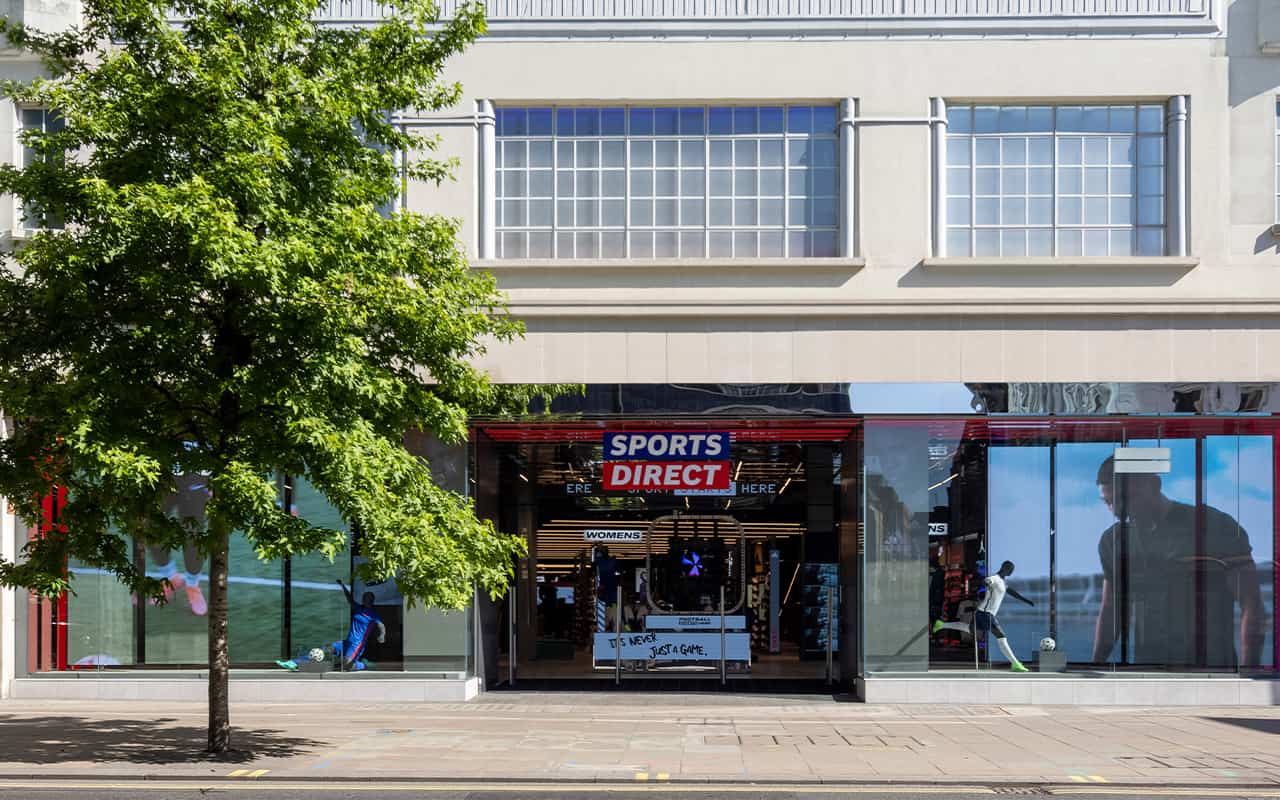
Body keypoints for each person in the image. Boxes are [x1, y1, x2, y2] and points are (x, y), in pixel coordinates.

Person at [1092, 456, 1264, 668]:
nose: (1117, 510)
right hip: (1148, 672)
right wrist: (1094, 666)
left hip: (1212, 671)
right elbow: (1111, 609)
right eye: (1108, 502)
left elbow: (1251, 603)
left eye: (1125, 498)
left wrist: (1250, 672)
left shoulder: (1215, 526)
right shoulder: (1113, 542)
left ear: (1154, 485)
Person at [934, 560, 1034, 673]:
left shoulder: (1002, 582)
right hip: (986, 614)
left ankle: (942, 624)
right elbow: (986, 581)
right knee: (1001, 637)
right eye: (1010, 570)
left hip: (982, 613)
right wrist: (981, 588)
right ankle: (1015, 663)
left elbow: (1012, 592)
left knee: (969, 628)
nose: (1011, 573)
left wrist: (1026, 601)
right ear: (1005, 568)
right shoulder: (995, 578)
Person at [276, 580, 386, 672]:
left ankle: (363, 665)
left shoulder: (373, 614)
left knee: (346, 665)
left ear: (372, 600)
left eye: (366, 598)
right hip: (347, 642)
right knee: (325, 649)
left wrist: (382, 635)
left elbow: (381, 625)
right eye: (363, 598)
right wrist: (343, 586)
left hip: (357, 644)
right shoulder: (359, 608)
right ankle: (294, 663)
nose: (364, 600)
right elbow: (350, 600)